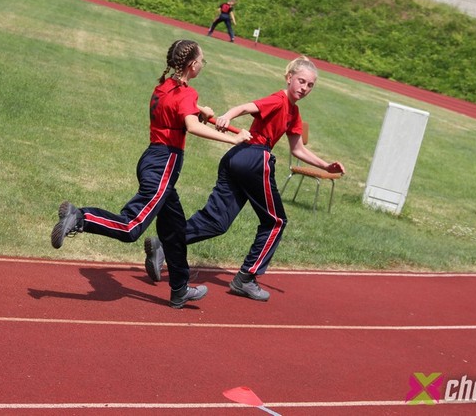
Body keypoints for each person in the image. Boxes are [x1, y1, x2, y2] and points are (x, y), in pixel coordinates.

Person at [51, 40, 251, 309]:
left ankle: (179, 288)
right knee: (131, 227)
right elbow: (190, 126)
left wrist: (200, 109)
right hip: (164, 165)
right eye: (203, 61)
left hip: (151, 159)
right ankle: (81, 217)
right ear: (193, 65)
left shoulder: (164, 86)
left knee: (175, 230)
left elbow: (181, 110)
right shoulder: (186, 95)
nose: (203, 64)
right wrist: (232, 140)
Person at [143, 56, 345, 301]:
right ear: (289, 77)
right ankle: (246, 278)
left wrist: (326, 166)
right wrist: (228, 116)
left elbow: (298, 149)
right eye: (301, 81)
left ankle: (165, 245)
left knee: (217, 222)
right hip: (254, 158)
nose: (304, 88)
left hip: (235, 159)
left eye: (310, 85)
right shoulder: (279, 99)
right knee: (276, 222)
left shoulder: (294, 112)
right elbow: (246, 107)